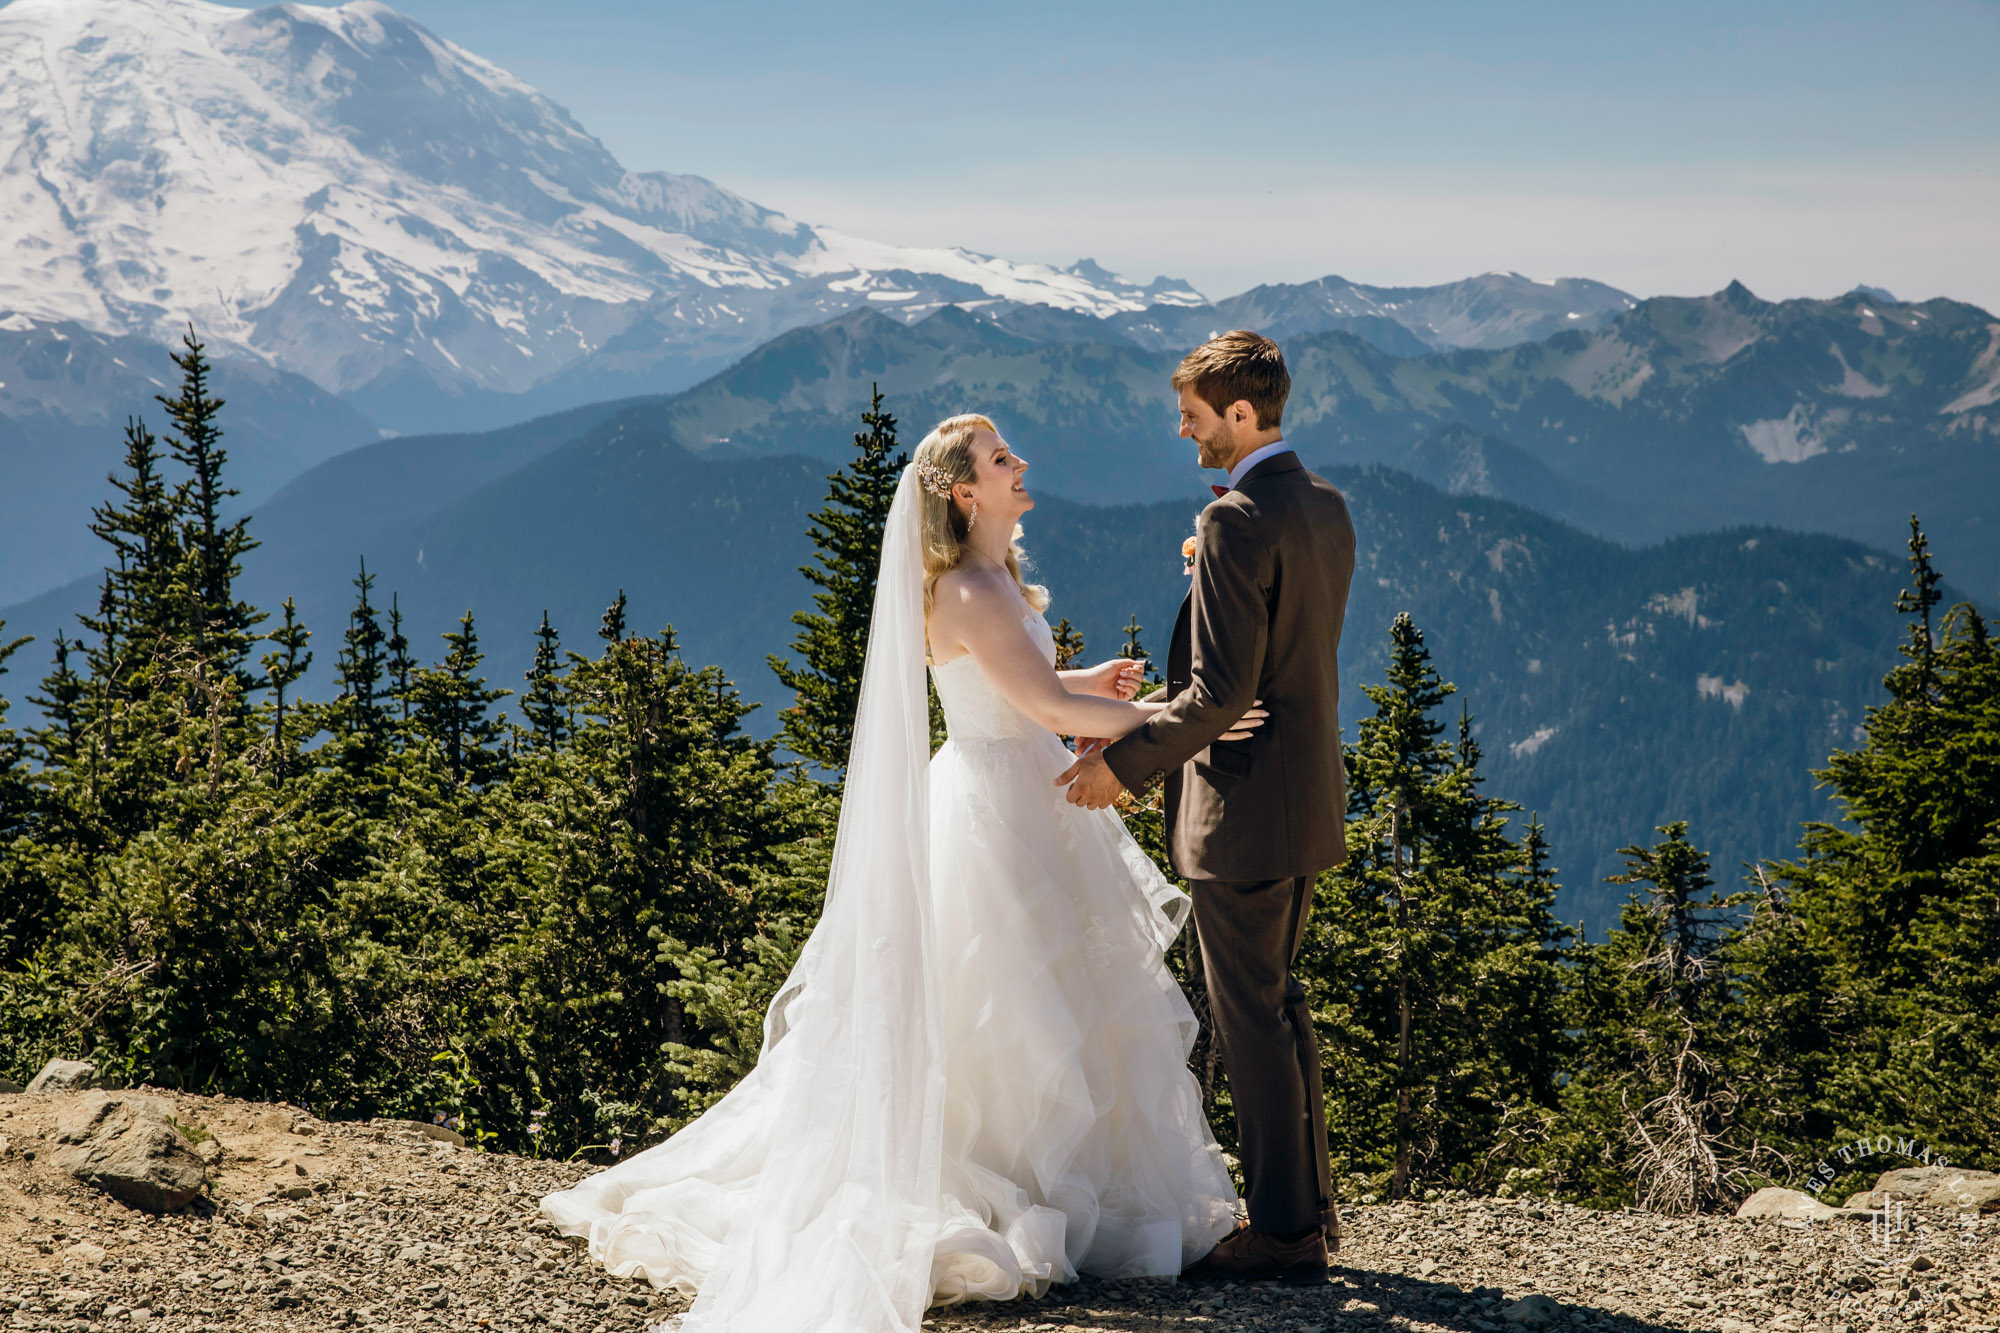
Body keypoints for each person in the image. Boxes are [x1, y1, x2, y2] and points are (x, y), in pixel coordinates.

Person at [541, 411, 1265, 1333]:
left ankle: (1061, 1179)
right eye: (1003, 459)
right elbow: (1034, 704)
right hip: (998, 812)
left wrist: (1093, 680)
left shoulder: (993, 580)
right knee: (1005, 1004)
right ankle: (1007, 1176)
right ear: (966, 492)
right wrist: (1185, 715)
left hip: (1023, 792)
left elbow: (1028, 687)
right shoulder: (965, 590)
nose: (1021, 463)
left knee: (1050, 1002)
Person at [1057, 330, 1357, 1285]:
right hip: (1307, 795)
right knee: (1280, 1003)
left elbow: (1223, 691)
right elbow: (1280, 658)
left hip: (1243, 810)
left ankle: (1280, 1233)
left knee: (1250, 1016)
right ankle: (1306, 1208)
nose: (1182, 432)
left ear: (1238, 413)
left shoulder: (1237, 521)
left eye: (1192, 416)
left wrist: (1124, 766)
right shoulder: (1322, 505)